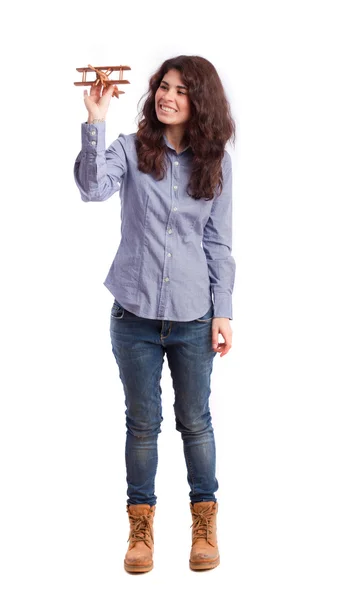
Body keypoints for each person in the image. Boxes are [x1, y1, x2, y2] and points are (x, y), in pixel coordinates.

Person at [74, 55, 236, 573]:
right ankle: (140, 531)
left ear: (200, 102)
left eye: (181, 91)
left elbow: (217, 241)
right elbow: (92, 188)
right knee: (142, 425)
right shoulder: (130, 148)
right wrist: (95, 122)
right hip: (134, 316)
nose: (167, 96)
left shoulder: (216, 162)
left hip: (193, 315)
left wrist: (223, 311)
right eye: (163, 87)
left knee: (196, 422)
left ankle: (204, 523)